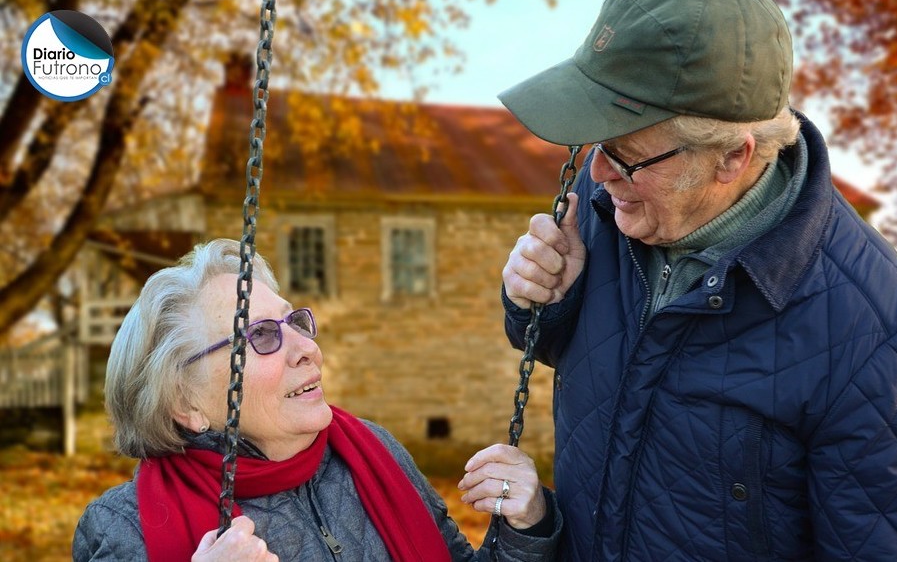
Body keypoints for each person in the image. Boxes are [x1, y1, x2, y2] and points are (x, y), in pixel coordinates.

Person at [497, 0, 897, 560]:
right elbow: (586, 357)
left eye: (625, 153)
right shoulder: (608, 204)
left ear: (732, 158)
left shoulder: (883, 330)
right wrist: (540, 301)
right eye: (595, 144)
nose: (598, 171)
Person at [73, 238, 561, 561]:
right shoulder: (122, 528)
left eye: (295, 323)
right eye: (261, 335)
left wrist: (525, 527)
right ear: (186, 404)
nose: (307, 349)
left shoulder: (372, 450)